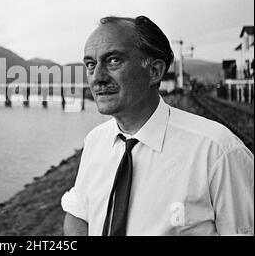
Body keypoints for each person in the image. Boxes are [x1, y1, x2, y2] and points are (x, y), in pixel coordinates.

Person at [61, 15, 254, 236]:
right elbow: (78, 214)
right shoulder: (95, 141)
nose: (98, 77)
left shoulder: (218, 151)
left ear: (154, 71)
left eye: (113, 60)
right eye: (90, 64)